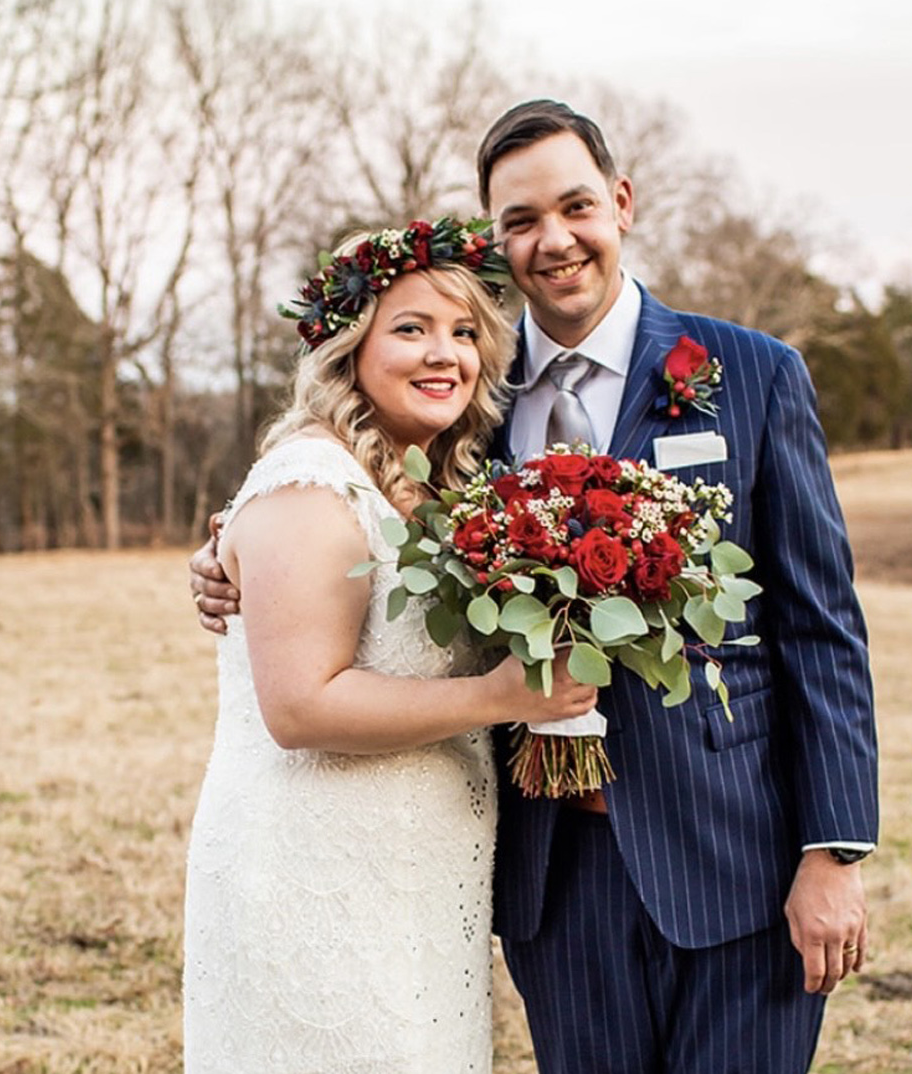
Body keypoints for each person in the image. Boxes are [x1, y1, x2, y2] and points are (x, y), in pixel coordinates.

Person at [192, 101, 878, 1074]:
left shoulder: (751, 376)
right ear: (498, 241)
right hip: (556, 869)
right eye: (520, 221)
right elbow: (348, 517)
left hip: (738, 855)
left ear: (622, 204)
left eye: (575, 206)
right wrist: (230, 555)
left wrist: (834, 850)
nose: (553, 240)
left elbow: (822, 628)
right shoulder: (467, 404)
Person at [181, 217, 599, 1074]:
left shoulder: (430, 480)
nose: (444, 353)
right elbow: (300, 705)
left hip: (411, 879)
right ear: (348, 348)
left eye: (463, 333)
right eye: (410, 329)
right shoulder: (314, 479)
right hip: (317, 881)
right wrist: (503, 697)